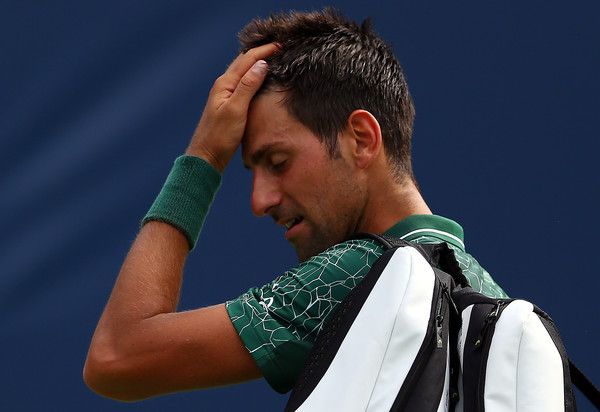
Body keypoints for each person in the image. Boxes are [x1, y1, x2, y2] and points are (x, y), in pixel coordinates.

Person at [83, 8, 507, 402]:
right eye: (251, 170)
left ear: (361, 138)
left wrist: (205, 158)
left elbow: (117, 354)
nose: (259, 201)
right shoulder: (488, 290)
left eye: (278, 162)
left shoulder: (356, 271)